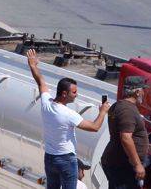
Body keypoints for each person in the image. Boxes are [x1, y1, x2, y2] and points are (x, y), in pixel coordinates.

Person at [26, 49, 109, 189]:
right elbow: (95, 127)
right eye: (74, 92)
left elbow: (41, 82)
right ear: (64, 94)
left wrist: (33, 65)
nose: (77, 95)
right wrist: (102, 112)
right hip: (65, 159)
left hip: (50, 158)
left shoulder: (46, 103)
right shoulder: (68, 114)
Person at [101, 76, 150, 189]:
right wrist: (137, 164)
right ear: (137, 92)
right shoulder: (127, 110)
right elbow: (126, 138)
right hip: (122, 165)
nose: (144, 93)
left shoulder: (118, 106)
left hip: (116, 161)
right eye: (143, 90)